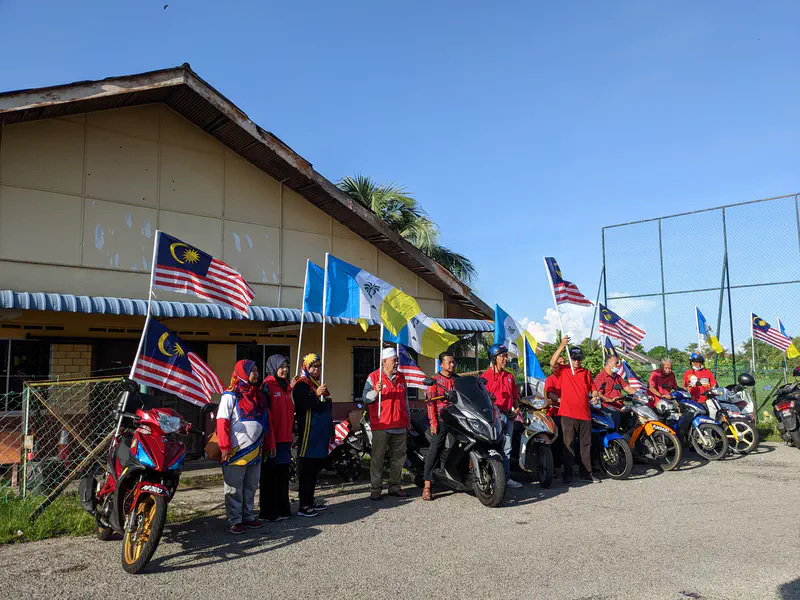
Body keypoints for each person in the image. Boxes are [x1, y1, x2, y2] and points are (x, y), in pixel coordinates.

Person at [216, 359, 275, 534]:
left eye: (257, 370)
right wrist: (225, 447)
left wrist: (270, 443)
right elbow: (222, 422)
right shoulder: (230, 395)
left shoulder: (259, 396)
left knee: (250, 487)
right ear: (242, 373)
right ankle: (235, 520)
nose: (256, 373)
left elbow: (267, 422)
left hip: (256, 451)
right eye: (253, 370)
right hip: (235, 452)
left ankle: (248, 516)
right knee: (234, 488)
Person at [549, 337, 599, 484]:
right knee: (568, 444)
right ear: (570, 359)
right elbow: (552, 363)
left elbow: (593, 389)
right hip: (568, 413)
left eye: (579, 359)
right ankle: (568, 475)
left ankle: (586, 473)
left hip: (584, 413)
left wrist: (595, 397)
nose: (577, 361)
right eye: (574, 359)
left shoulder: (586, 372)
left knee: (586, 444)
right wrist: (561, 346)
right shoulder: (563, 370)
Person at [363, 347, 410, 501]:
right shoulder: (373, 377)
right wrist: (376, 391)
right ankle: (376, 488)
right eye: (394, 360)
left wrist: (407, 420)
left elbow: (406, 401)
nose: (397, 362)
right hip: (381, 425)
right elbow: (365, 398)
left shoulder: (401, 377)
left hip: (400, 424)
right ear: (384, 362)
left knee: (398, 458)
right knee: (378, 458)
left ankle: (395, 486)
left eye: (396, 359)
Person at [293, 353, 333, 517]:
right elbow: (303, 404)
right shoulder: (302, 385)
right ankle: (303, 505)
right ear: (306, 367)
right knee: (306, 470)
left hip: (319, 434)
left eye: (318, 366)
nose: (316, 369)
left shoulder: (317, 383)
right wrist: (315, 394)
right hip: (308, 433)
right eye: (313, 366)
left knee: (315, 469)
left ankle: (310, 500)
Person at [481, 344, 523, 489]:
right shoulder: (484, 378)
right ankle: (491, 479)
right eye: (502, 356)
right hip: (492, 419)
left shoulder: (509, 376)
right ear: (494, 358)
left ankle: (506, 478)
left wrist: (516, 410)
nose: (506, 359)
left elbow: (515, 397)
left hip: (508, 417)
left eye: (506, 355)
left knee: (507, 449)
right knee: (492, 448)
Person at [259, 354, 293, 522]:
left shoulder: (286, 386)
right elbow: (266, 416)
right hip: (272, 439)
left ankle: (283, 509)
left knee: (282, 475)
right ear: (273, 367)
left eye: (286, 366)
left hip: (285, 439)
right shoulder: (267, 386)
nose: (285, 369)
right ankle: (269, 512)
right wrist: (269, 440)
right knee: (270, 477)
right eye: (281, 366)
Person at [422, 350, 459, 501]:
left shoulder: (457, 380)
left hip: (458, 419)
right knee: (435, 448)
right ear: (441, 364)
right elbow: (430, 404)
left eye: (453, 362)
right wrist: (434, 422)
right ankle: (427, 485)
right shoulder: (434, 381)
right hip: (442, 419)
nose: (452, 364)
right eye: (449, 362)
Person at [594, 355, 636, 431]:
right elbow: (597, 393)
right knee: (615, 415)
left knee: (634, 412)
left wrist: (641, 394)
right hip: (607, 407)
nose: (618, 365)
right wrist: (609, 400)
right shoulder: (600, 377)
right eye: (616, 363)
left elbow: (628, 388)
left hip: (620, 405)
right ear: (608, 363)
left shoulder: (617, 376)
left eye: (618, 363)